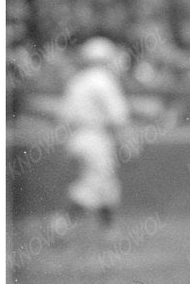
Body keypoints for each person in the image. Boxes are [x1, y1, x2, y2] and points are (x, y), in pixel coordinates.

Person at [50, 37, 131, 237]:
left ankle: (109, 229)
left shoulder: (77, 80)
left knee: (106, 184)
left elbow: (63, 116)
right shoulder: (104, 80)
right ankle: (60, 224)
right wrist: (127, 144)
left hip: (77, 137)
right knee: (93, 184)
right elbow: (117, 118)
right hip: (96, 137)